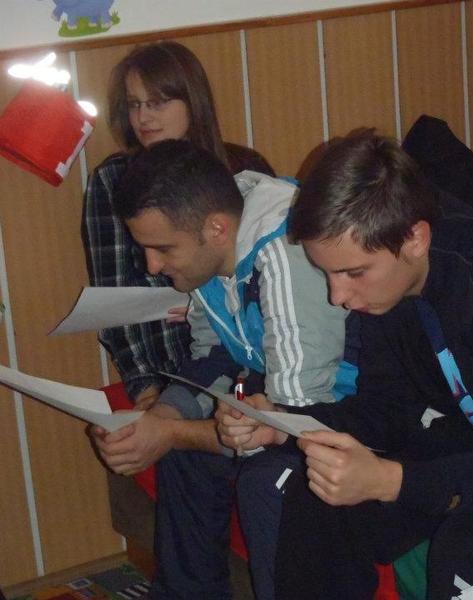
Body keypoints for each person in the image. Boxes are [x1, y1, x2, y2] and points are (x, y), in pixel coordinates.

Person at [216, 131, 473, 599]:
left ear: (415, 238)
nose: (338, 296)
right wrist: (281, 423)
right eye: (326, 273)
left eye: (353, 272)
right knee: (315, 496)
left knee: (465, 553)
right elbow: (386, 409)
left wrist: (389, 481)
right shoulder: (387, 286)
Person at [92, 139, 354, 600]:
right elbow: (213, 355)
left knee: (264, 482)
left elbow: (299, 413)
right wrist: (160, 418)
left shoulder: (284, 252)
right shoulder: (210, 255)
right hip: (284, 394)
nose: (153, 266)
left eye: (162, 248)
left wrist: (170, 433)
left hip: (346, 404)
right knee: (179, 451)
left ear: (216, 228)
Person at [81, 40, 273, 409]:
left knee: (242, 417)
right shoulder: (115, 179)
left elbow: (274, 279)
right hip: (172, 368)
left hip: (251, 364)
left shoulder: (245, 170)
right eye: (134, 104)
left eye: (157, 102)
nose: (143, 117)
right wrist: (148, 393)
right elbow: (115, 301)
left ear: (192, 102)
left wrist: (215, 305)